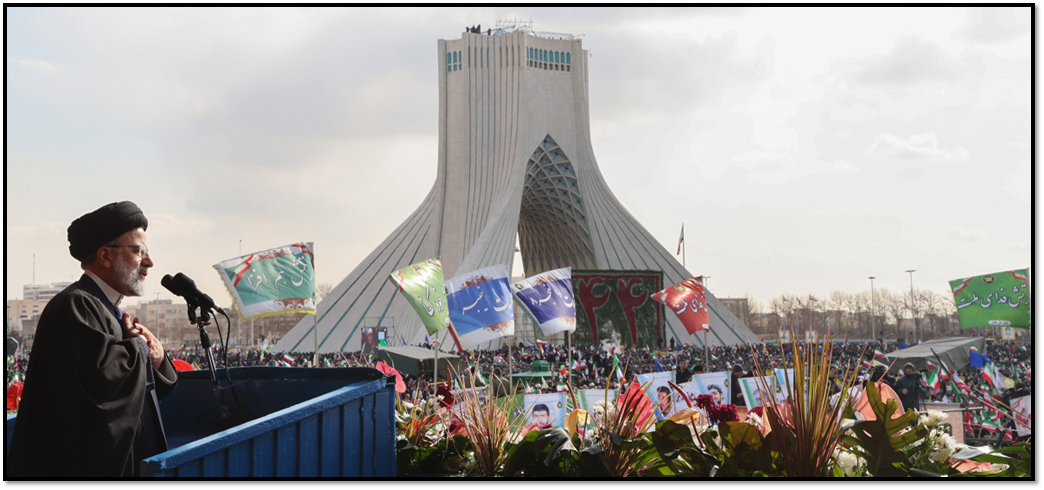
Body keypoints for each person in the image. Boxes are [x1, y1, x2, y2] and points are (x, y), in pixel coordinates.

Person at [9, 201, 179, 477]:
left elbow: (133, 395)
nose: (149, 262)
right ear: (105, 255)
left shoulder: (107, 307)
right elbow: (101, 388)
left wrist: (156, 359)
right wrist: (139, 348)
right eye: (139, 251)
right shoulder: (75, 306)